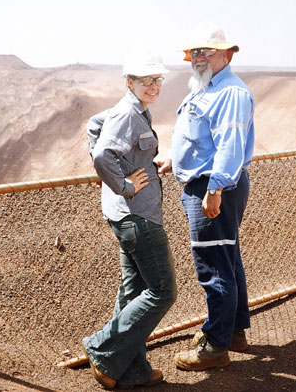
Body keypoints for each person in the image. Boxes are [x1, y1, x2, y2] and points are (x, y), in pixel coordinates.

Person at [160, 29, 255, 371]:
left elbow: (230, 144)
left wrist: (215, 189)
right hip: (208, 183)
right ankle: (234, 334)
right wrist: (176, 159)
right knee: (227, 260)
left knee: (214, 268)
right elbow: (202, 138)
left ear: (227, 56)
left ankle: (214, 347)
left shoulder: (229, 92)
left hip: (213, 189)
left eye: (208, 52)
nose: (199, 57)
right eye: (196, 52)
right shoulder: (208, 88)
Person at [82, 52, 177, 389]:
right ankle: (102, 349)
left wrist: (146, 168)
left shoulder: (131, 109)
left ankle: (129, 370)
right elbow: (103, 154)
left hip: (128, 214)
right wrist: (122, 184)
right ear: (130, 82)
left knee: (133, 291)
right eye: (145, 81)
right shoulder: (127, 113)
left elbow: (94, 125)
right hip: (137, 216)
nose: (153, 86)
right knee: (163, 291)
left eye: (157, 80)